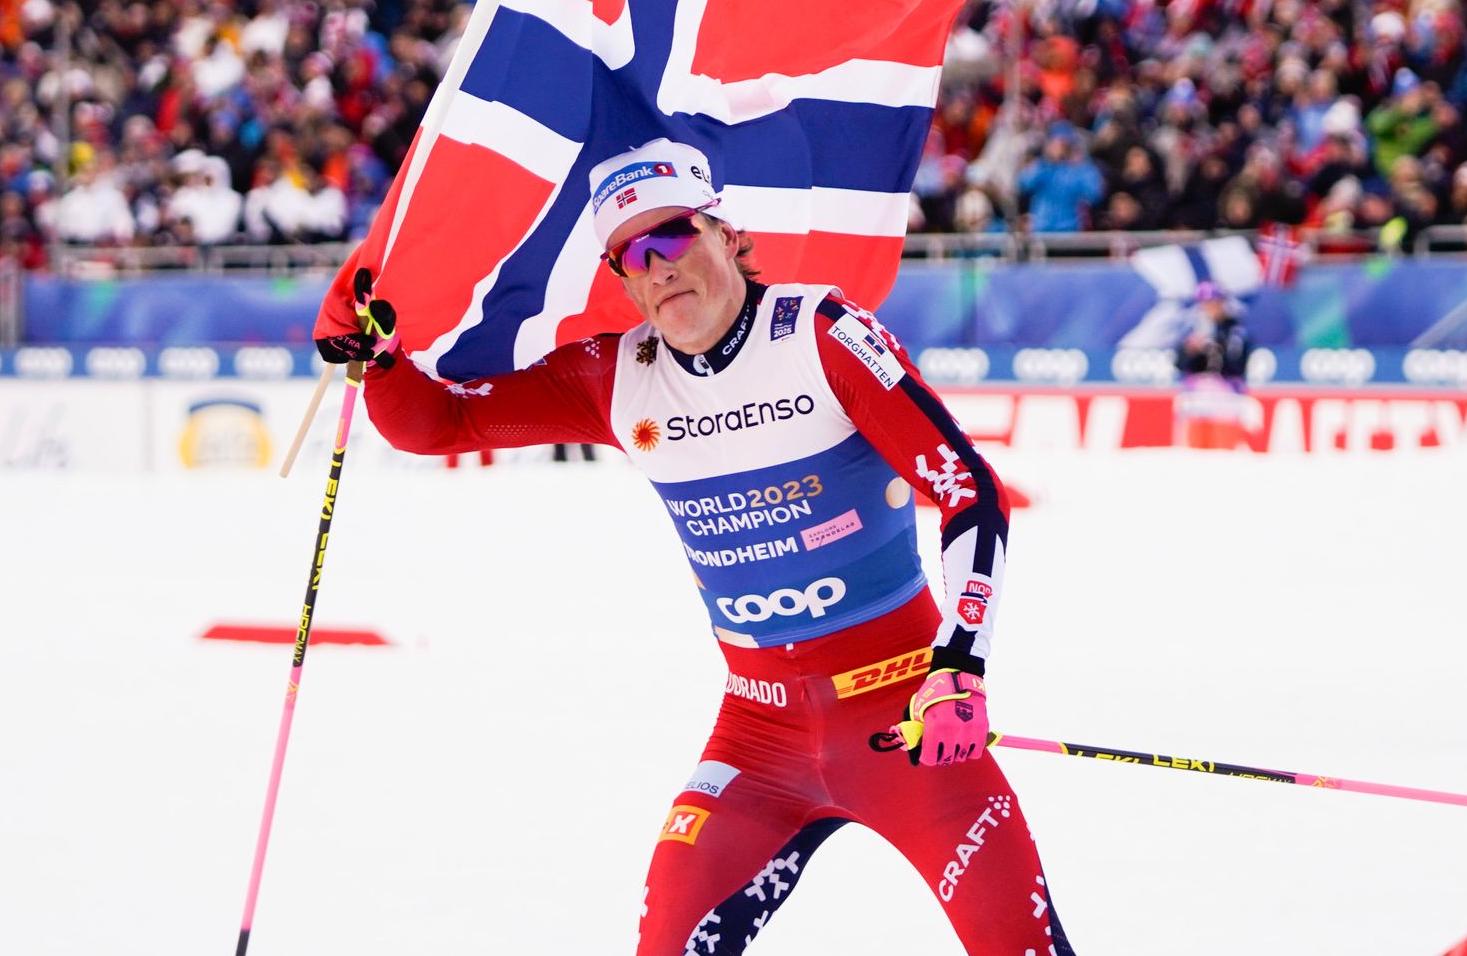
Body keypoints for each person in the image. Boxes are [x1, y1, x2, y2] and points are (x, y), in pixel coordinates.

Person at [318, 141, 1074, 955]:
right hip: (758, 735)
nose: (657, 267)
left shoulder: (823, 334)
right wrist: (381, 360)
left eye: (673, 236)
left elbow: (969, 490)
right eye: (632, 256)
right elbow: (442, 422)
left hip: (905, 714)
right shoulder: (617, 375)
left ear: (727, 234)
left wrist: (959, 664)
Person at [1175, 281, 1251, 449]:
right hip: (1196, 398)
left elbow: (1237, 366)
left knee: (1223, 451)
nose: (1208, 308)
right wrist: (1192, 351)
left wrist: (1216, 347)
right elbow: (1180, 365)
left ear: (1222, 303)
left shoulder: (1235, 330)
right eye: (1204, 303)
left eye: (1213, 303)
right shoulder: (1192, 329)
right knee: (1195, 450)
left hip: (1226, 399)